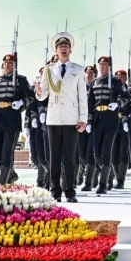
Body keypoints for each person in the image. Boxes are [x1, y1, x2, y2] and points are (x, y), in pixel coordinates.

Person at [35, 33, 88, 203]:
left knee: (70, 158)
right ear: (56, 50)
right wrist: (38, 92)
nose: (63, 49)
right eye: (60, 47)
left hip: (72, 118)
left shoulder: (78, 70)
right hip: (53, 118)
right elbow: (44, 94)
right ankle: (55, 190)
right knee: (54, 157)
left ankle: (70, 191)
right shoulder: (49, 70)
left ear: (70, 50)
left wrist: (83, 118)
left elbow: (82, 96)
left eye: (66, 46)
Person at [0, 54, 33, 184]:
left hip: (12, 120)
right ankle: (11, 175)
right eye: (5, 62)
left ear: (15, 65)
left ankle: (2, 184)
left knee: (6, 153)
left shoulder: (21, 80)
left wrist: (21, 103)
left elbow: (31, 97)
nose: (7, 65)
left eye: (10, 62)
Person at [84, 56, 127, 195]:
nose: (102, 66)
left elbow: (126, 97)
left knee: (106, 151)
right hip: (97, 120)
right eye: (100, 64)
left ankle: (102, 184)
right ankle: (109, 173)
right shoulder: (94, 82)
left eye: (105, 64)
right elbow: (90, 103)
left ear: (109, 67)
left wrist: (117, 104)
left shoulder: (114, 81)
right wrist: (89, 122)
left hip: (110, 119)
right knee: (96, 154)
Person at [111, 69, 130, 189]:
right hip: (113, 124)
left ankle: (120, 179)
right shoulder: (112, 91)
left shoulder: (129, 91)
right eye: (117, 77)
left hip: (126, 126)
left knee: (123, 153)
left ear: (126, 78)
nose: (119, 79)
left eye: (121, 77)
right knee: (114, 154)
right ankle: (117, 176)